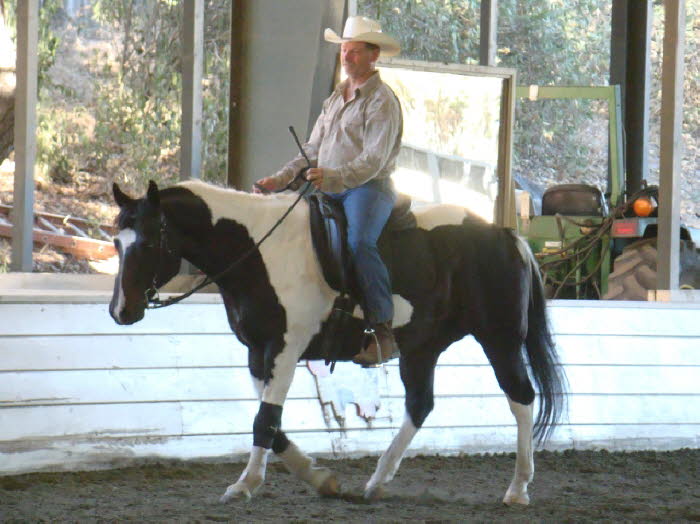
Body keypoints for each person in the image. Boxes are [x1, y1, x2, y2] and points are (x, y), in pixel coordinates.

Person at [254, 16, 403, 366]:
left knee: (359, 243)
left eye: (354, 52)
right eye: (344, 51)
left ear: (373, 56)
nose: (346, 58)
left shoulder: (383, 101)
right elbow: (312, 147)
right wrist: (281, 179)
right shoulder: (335, 98)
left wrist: (334, 177)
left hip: (367, 189)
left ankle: (382, 328)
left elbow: (373, 160)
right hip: (329, 184)